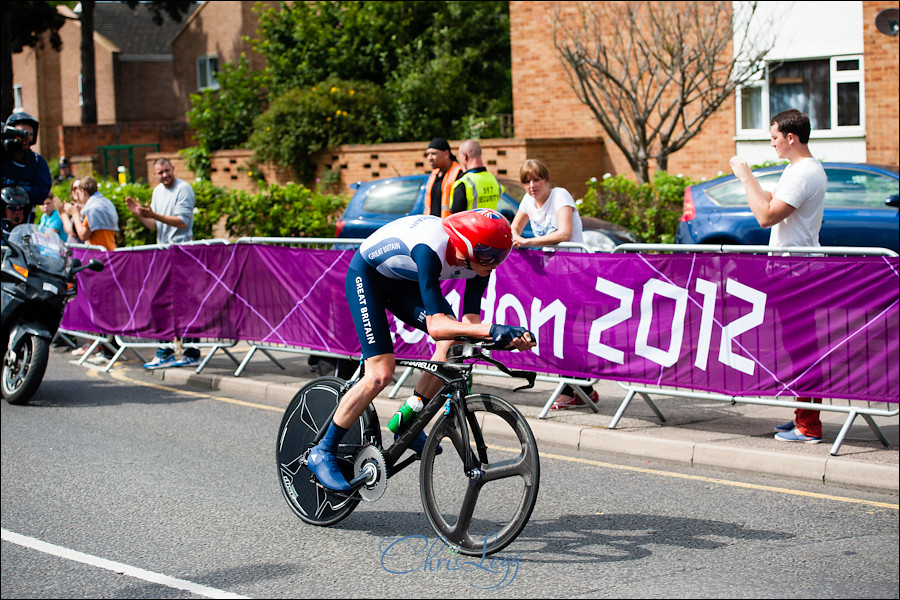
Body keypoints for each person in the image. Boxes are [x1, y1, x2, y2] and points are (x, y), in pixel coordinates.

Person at [307, 208, 536, 491]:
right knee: (380, 373)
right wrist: (493, 330)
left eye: (501, 255)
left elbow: (470, 322)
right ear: (466, 245)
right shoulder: (430, 247)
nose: (495, 263)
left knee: (453, 344)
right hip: (368, 278)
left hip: (404, 283)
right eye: (490, 256)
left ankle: (407, 419)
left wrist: (504, 339)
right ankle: (323, 450)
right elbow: (438, 325)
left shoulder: (481, 260)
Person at [729, 108, 827, 444]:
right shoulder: (798, 170)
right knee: (797, 345)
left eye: (774, 137)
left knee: (802, 348)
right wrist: (753, 182)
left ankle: (809, 427)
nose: (771, 144)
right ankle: (803, 415)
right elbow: (773, 201)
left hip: (796, 272)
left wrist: (745, 178)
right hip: (794, 270)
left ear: (790, 137)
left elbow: (766, 217)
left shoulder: (803, 173)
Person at [510, 158, 597, 410]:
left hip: (575, 272)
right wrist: (517, 238)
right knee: (555, 329)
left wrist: (527, 243)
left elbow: (565, 233)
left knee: (569, 330)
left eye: (537, 179)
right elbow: (515, 228)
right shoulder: (528, 200)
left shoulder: (560, 196)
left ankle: (578, 388)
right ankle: (579, 388)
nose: (532, 185)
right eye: (526, 181)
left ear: (546, 180)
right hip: (551, 274)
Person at [126, 157, 200, 369]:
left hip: (182, 253)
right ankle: (167, 349)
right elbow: (154, 226)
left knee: (181, 303)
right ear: (155, 174)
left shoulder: (183, 189)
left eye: (167, 171)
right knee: (160, 302)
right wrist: (140, 215)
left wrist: (154, 214)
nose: (164, 175)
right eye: (160, 172)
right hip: (163, 253)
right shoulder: (158, 191)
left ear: (173, 168)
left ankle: (189, 351)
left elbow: (182, 221)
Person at [1, 112, 53, 223]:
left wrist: (19, 192)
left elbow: (41, 192)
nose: (25, 137)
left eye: (29, 134)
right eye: (20, 133)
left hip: (24, 225)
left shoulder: (37, 162)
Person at [60, 176, 118, 251]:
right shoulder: (106, 202)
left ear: (83, 192)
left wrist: (75, 214)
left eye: (79, 192)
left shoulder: (91, 209)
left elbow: (83, 235)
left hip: (99, 254)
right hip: (111, 249)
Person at [449, 140, 503, 214]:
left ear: (465, 156)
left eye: (459, 156)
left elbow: (455, 217)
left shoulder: (464, 183)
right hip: (492, 225)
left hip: (471, 225)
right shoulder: (493, 179)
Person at [423, 138, 464, 218]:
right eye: (428, 154)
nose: (429, 157)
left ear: (446, 154)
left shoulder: (458, 174)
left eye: (433, 154)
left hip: (448, 227)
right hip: (431, 225)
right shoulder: (434, 174)